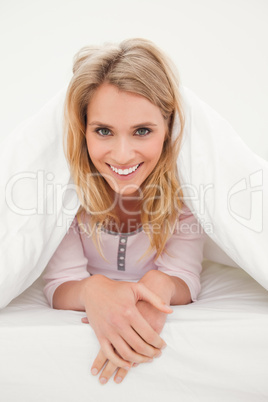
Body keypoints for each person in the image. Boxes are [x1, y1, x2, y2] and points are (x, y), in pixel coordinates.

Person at [43, 38, 205, 385]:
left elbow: (185, 278)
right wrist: (92, 291)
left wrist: (159, 285)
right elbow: (59, 284)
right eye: (103, 131)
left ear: (168, 130)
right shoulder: (65, 194)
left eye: (142, 131)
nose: (122, 154)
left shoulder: (186, 196)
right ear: (83, 130)